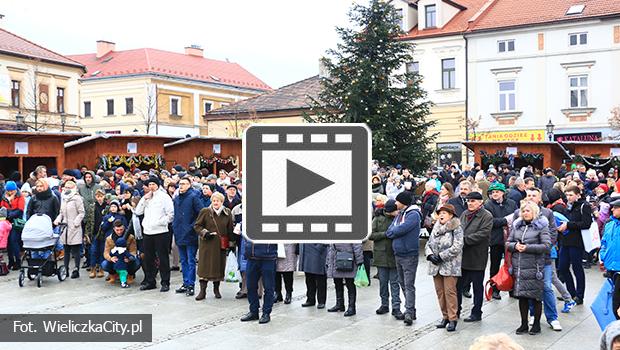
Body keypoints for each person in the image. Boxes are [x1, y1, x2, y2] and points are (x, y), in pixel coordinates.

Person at [519, 188, 564, 331]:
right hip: (526, 258)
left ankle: (552, 317)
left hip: (544, 256)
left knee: (546, 286)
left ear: (540, 199)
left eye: (534, 195)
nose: (531, 198)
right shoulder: (520, 213)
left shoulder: (547, 213)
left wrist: (538, 247)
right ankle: (533, 315)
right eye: (529, 195)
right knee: (529, 287)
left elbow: (552, 234)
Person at [506, 201, 551, 335]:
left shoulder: (541, 227)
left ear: (534, 213)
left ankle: (536, 324)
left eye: (528, 211)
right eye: (523, 211)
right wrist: (515, 246)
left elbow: (546, 246)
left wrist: (527, 248)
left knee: (535, 297)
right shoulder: (517, 226)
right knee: (522, 297)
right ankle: (523, 324)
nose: (525, 213)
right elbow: (508, 242)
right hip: (519, 267)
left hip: (534, 267)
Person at [425, 204, 464, 332]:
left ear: (451, 215)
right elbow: (429, 243)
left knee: (450, 292)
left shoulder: (456, 227)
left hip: (450, 266)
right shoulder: (436, 226)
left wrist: (441, 256)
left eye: (444, 213)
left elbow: (457, 246)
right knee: (440, 292)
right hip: (435, 265)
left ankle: (453, 318)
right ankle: (445, 316)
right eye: (440, 213)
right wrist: (430, 255)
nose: (441, 215)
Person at [386, 191, 422, 325]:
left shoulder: (413, 215)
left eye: (397, 201)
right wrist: (394, 231)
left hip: (409, 254)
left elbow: (400, 230)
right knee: (402, 283)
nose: (395, 203)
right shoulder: (400, 214)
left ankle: (409, 312)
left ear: (403, 202)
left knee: (408, 284)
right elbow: (389, 231)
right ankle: (411, 310)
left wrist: (395, 231)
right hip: (398, 253)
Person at [457, 191, 493, 323]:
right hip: (462, 256)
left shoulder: (486, 216)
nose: (470, 203)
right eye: (468, 201)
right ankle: (456, 310)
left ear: (480, 202)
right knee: (458, 286)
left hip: (477, 256)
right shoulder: (464, 214)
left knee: (477, 286)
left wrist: (463, 240)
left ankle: (477, 312)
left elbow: (483, 234)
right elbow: (458, 229)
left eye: (473, 201)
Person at [134, 176, 174, 292]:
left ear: (157, 185)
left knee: (163, 258)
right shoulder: (147, 197)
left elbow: (170, 214)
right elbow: (138, 211)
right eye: (149, 185)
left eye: (153, 184)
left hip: (161, 231)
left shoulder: (164, 197)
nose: (151, 187)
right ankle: (150, 281)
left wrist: (160, 222)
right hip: (148, 231)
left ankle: (165, 282)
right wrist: (144, 199)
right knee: (148, 258)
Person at [194, 191, 234, 300]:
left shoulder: (227, 212)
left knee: (218, 267)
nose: (215, 202)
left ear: (222, 202)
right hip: (207, 244)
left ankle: (216, 290)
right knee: (204, 268)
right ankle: (202, 291)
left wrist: (231, 244)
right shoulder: (205, 211)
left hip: (220, 245)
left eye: (218, 201)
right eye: (214, 200)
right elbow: (197, 226)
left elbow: (230, 229)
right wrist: (205, 232)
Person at [370, 199, 404, 320]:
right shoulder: (378, 219)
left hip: (394, 254)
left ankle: (396, 307)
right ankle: (384, 304)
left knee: (395, 283)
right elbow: (371, 235)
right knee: (383, 283)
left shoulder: (399, 218)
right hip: (381, 256)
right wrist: (385, 234)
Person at [557, 185, 591, 305]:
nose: (568, 197)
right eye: (567, 195)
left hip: (577, 242)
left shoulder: (584, 206)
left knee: (577, 268)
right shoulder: (568, 207)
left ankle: (579, 295)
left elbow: (586, 224)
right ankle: (571, 293)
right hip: (565, 241)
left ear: (578, 195)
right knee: (562, 267)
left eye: (571, 195)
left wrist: (569, 225)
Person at [484, 182, 518, 300]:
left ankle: (512, 288)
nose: (494, 194)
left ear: (503, 192)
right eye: (492, 192)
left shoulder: (512, 203)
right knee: (495, 265)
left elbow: (516, 218)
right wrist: (505, 220)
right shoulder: (488, 205)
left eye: (497, 192)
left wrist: (505, 221)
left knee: (511, 265)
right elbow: (490, 222)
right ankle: (495, 289)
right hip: (496, 240)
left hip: (511, 239)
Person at [172, 176, 204, 297]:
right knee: (183, 260)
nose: (181, 186)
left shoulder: (193, 197)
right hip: (179, 232)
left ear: (190, 185)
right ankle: (185, 282)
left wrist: (192, 226)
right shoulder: (176, 198)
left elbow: (201, 213)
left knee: (191, 260)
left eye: (184, 184)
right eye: (180, 184)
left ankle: (191, 284)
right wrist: (175, 226)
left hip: (190, 233)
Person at [240, 231, 277, 324]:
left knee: (269, 287)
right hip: (252, 257)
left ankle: (266, 313)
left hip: (268, 257)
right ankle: (253, 311)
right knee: (250, 286)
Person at [54, 180, 85, 279]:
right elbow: (61, 212)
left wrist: (76, 222)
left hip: (74, 227)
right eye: (65, 187)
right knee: (66, 249)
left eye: (68, 187)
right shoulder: (63, 198)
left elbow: (81, 212)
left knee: (75, 250)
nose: (66, 189)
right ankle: (66, 270)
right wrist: (57, 220)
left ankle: (76, 269)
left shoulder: (77, 198)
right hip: (65, 227)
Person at [325, 243, 364, 317]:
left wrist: (359, 261)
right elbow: (331, 247)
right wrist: (329, 260)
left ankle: (351, 307)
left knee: (350, 285)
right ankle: (340, 304)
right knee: (337, 283)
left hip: (349, 259)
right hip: (336, 259)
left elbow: (357, 245)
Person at [102, 220, 140, 285]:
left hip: (126, 258)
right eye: (117, 230)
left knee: (137, 262)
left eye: (121, 229)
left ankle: (130, 275)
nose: (119, 232)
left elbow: (133, 250)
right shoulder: (109, 239)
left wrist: (129, 258)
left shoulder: (130, 237)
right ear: (114, 229)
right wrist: (110, 258)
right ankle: (113, 275)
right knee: (104, 264)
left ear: (124, 228)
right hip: (115, 260)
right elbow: (106, 252)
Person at [600, 199, 620, 320]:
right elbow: (604, 242)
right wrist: (603, 255)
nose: (612, 209)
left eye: (615, 207)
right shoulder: (609, 224)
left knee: (616, 305)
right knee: (615, 304)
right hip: (611, 267)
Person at [1, 181, 25, 270]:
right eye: (8, 191)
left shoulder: (20, 196)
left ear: (15, 189)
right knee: (8, 243)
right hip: (6, 222)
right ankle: (11, 261)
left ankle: (18, 262)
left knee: (13, 241)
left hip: (16, 222)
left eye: (12, 190)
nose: (10, 192)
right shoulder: (4, 197)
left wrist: (9, 214)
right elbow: (2, 208)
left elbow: (20, 210)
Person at [299, 243, 328, 309]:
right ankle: (310, 299)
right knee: (309, 277)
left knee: (320, 277)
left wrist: (320, 246)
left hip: (318, 250)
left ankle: (321, 301)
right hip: (306, 250)